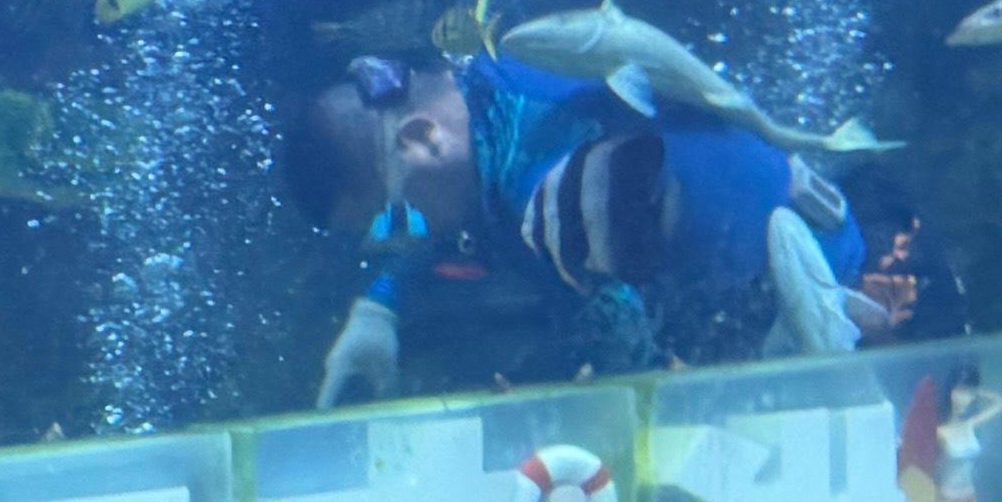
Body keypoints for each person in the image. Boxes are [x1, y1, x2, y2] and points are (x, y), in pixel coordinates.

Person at [297, 50, 900, 404]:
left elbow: (630, 362)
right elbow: (454, 232)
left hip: (826, 318)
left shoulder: (543, 193)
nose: (400, 239)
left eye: (390, 220)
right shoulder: (499, 76)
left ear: (425, 138)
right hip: (819, 238)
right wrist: (381, 305)